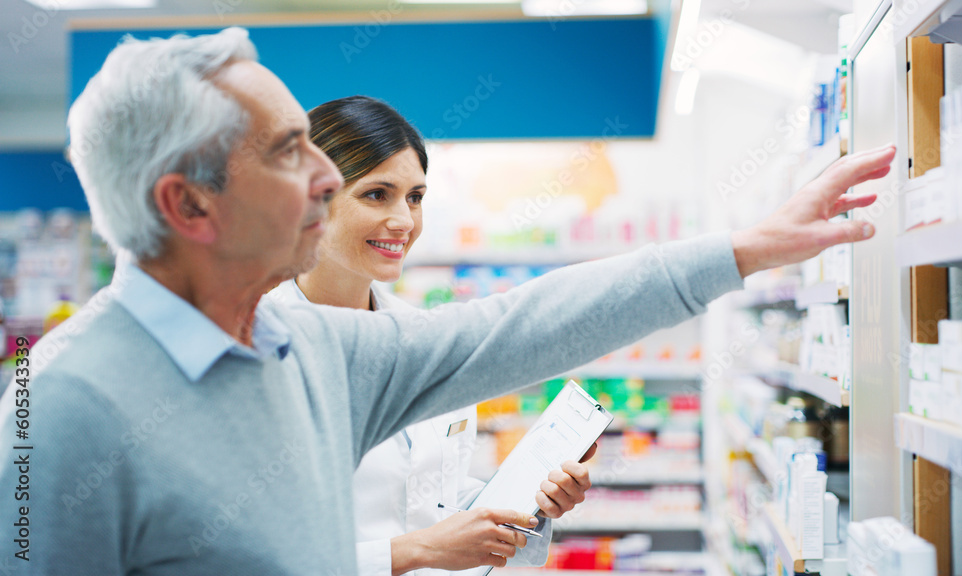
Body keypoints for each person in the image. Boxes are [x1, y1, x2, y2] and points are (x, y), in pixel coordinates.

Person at [0, 27, 894, 576]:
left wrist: (748, 248)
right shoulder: (52, 412)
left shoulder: (303, 349)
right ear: (188, 204)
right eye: (288, 152)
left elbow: (521, 323)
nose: (325, 179)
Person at [270, 95, 594, 575]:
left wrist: (529, 498)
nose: (404, 221)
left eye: (415, 197)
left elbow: (434, 502)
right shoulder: (251, 351)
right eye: (376, 194)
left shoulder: (430, 339)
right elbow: (230, 556)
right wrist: (413, 552)